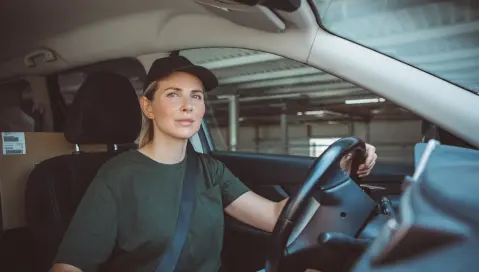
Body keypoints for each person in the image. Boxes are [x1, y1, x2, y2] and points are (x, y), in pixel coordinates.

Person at [51, 55, 377, 272]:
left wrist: (344, 171)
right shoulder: (118, 176)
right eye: (173, 95)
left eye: (196, 96)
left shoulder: (209, 169)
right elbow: (69, 266)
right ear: (148, 107)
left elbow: (277, 217)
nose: (187, 106)